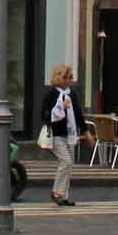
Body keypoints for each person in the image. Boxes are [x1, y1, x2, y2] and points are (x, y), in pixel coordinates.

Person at [42, 63, 87, 206]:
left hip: (70, 133)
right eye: (69, 77)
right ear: (61, 78)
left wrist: (85, 131)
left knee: (70, 164)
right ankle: (56, 192)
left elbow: (78, 113)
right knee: (65, 161)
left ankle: (64, 196)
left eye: (72, 77)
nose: (71, 80)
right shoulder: (51, 94)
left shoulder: (71, 93)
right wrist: (61, 107)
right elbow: (45, 115)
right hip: (56, 134)